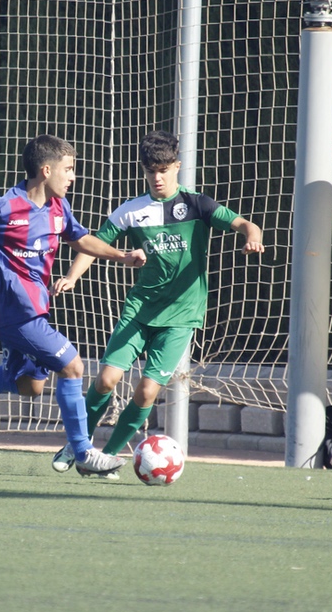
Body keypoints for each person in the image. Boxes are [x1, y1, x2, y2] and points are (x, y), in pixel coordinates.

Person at [0, 134, 146, 478]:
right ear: (46, 170)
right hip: (12, 313)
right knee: (73, 366)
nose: (73, 176)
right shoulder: (5, 206)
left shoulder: (57, 207)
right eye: (68, 169)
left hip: (33, 310)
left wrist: (121, 256)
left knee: (28, 387)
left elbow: (81, 238)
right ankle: (82, 452)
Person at [48, 130, 265, 471]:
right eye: (151, 170)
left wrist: (253, 237)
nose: (158, 177)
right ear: (144, 171)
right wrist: (73, 277)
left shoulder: (198, 205)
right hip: (139, 311)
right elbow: (92, 244)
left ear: (177, 166)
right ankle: (78, 445)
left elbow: (244, 224)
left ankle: (108, 456)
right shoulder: (131, 211)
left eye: (164, 169)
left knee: (147, 392)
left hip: (180, 317)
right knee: (106, 380)